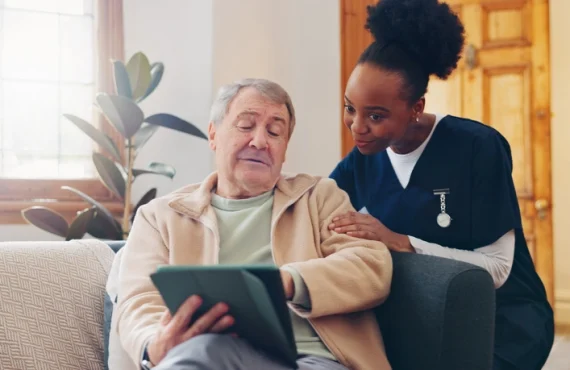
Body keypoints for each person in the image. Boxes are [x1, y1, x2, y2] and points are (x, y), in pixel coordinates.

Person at [327, 1, 554, 370]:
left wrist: (400, 242)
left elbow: (497, 268)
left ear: (416, 107)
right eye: (350, 108)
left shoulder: (477, 147)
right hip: (424, 318)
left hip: (501, 324)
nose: (357, 126)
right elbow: (318, 209)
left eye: (376, 115)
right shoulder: (361, 162)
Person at [108, 78, 393, 370]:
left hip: (314, 361)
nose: (260, 141)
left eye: (275, 131)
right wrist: (153, 344)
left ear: (285, 148)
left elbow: (369, 266)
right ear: (213, 134)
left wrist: (290, 281)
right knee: (202, 351)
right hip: (207, 357)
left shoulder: (319, 198)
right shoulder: (159, 216)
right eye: (245, 126)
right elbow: (138, 300)